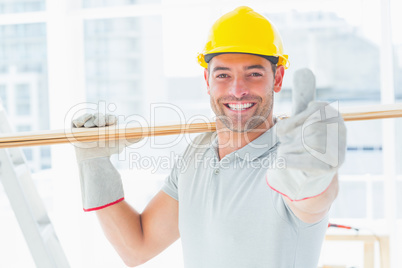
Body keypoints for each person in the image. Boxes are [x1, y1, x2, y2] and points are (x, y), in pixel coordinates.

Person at [73, 6, 347, 268]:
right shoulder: (198, 153)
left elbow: (313, 200)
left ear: (277, 78)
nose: (238, 90)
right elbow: (136, 247)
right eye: (223, 75)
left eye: (253, 74)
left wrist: (316, 175)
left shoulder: (293, 156)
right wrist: (94, 162)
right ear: (207, 80)